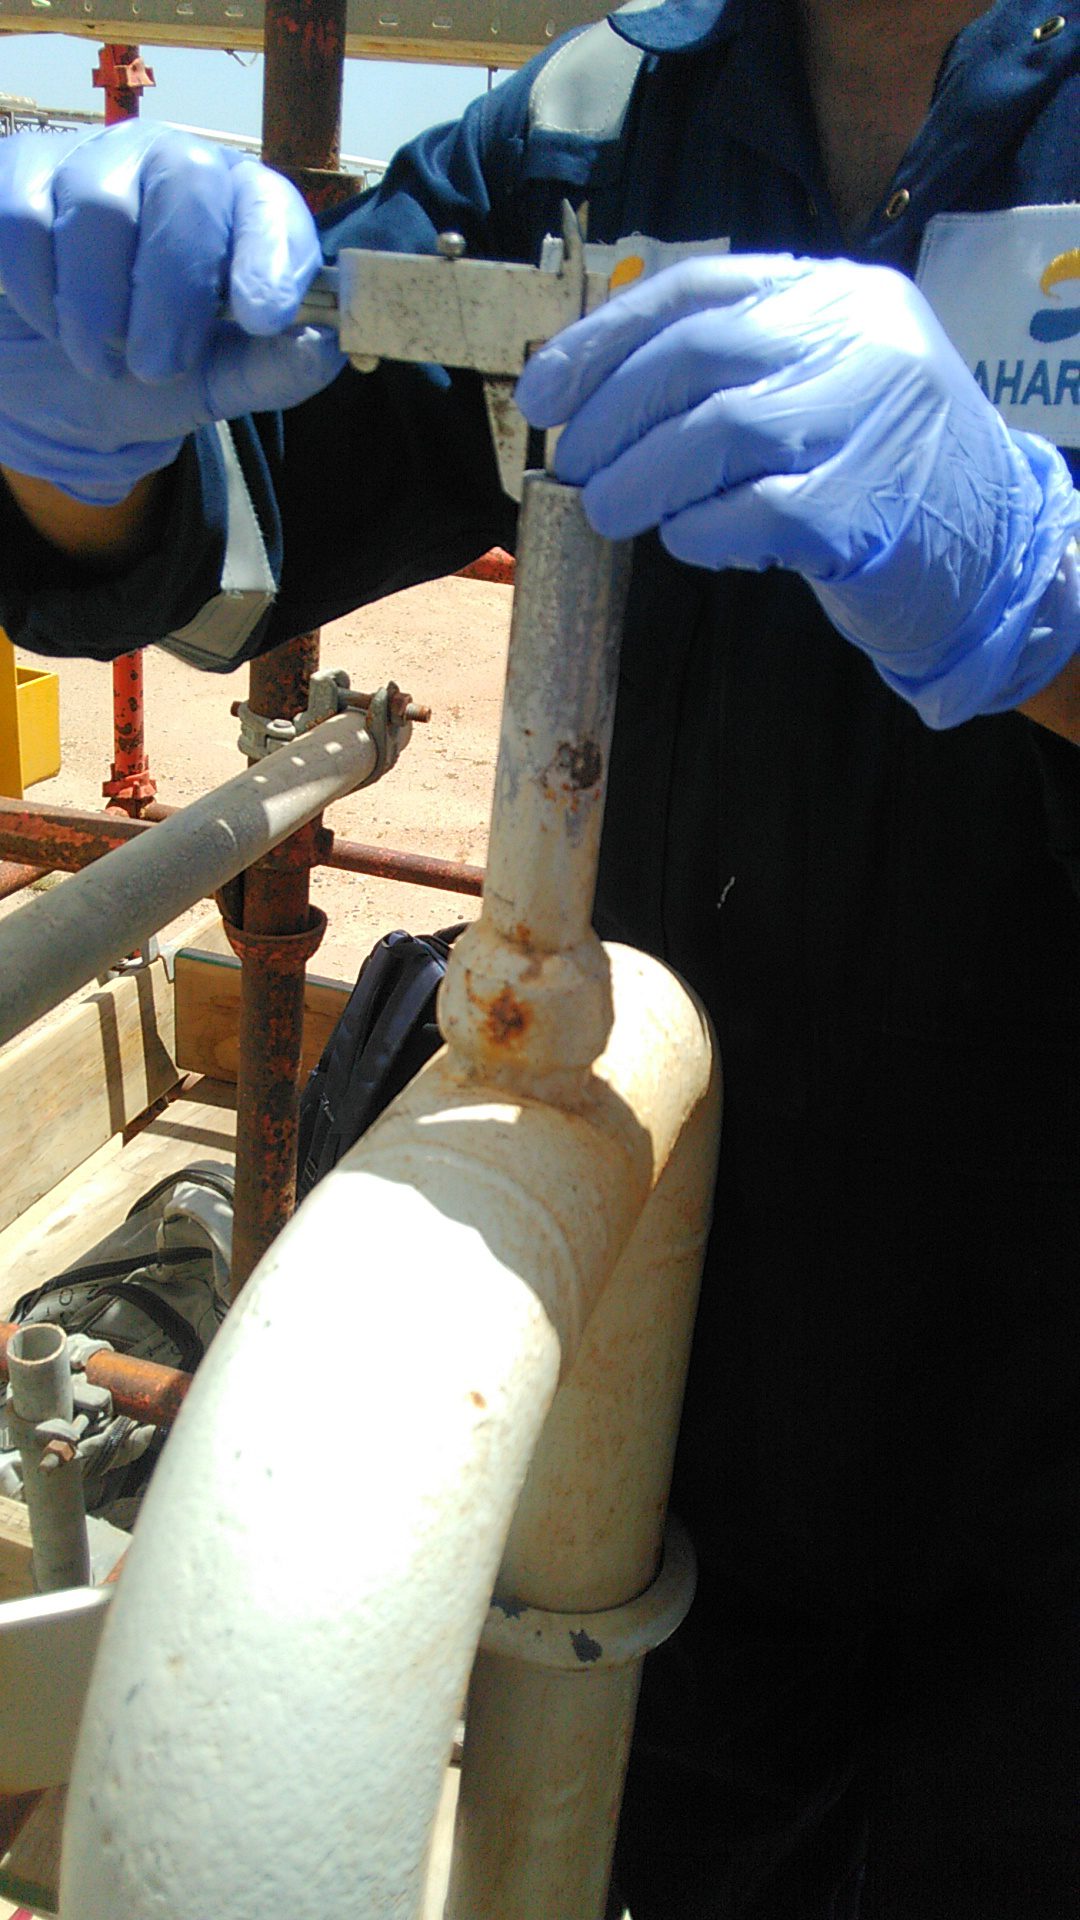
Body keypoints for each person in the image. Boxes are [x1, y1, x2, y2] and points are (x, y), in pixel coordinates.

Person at [0, 1, 1076, 1911]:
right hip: (682, 1339)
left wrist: (1040, 587)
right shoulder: (601, 120)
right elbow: (252, 486)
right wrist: (79, 428)